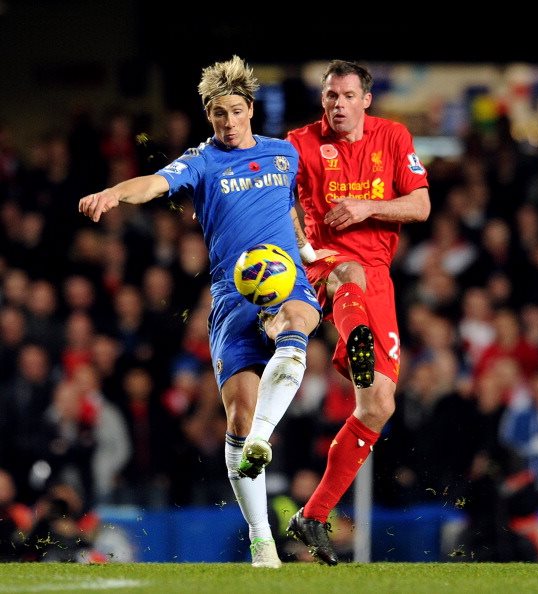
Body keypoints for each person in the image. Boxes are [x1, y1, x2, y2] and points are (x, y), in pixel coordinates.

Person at [78, 55, 322, 569]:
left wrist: (308, 251)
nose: (228, 122)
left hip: (284, 279)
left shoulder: (284, 154)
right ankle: (262, 539)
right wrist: (115, 193)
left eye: (234, 111)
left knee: (297, 322)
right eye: (217, 113)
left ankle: (262, 439)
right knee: (239, 415)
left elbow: (291, 208)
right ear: (208, 115)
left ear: (250, 108)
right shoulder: (203, 160)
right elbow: (153, 183)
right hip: (232, 298)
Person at [285, 59, 431, 565]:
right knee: (348, 273)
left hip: (379, 278)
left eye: (348, 95)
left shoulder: (393, 137)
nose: (339, 104)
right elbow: (278, 202)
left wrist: (369, 207)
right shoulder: (299, 143)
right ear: (322, 99)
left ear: (366, 99)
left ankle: (313, 515)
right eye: (331, 95)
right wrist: (302, 245)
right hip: (327, 265)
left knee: (378, 406)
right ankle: (355, 342)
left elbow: (420, 205)